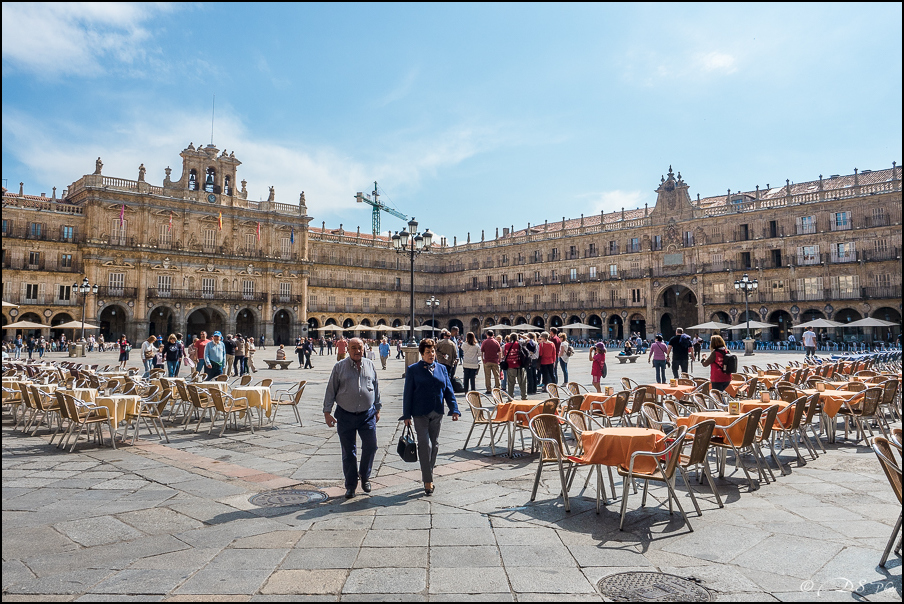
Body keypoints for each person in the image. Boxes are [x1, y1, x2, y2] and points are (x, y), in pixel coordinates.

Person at [323, 338, 381, 499]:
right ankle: (350, 485)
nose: (357, 351)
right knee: (349, 452)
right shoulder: (339, 367)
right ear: (347, 349)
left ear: (364, 349)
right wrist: (327, 412)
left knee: (371, 446)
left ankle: (364, 475)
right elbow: (330, 390)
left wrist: (378, 407)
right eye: (353, 348)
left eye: (360, 348)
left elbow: (375, 387)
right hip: (345, 414)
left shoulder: (370, 365)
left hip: (367, 414)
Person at [402, 338, 461, 495]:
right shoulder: (413, 370)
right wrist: (406, 414)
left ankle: (428, 474)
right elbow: (407, 393)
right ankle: (428, 480)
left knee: (434, 445)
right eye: (427, 352)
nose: (431, 354)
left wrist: (454, 409)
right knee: (424, 445)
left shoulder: (442, 369)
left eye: (433, 351)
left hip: (437, 411)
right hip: (419, 412)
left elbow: (448, 390)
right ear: (422, 354)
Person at [503, 333, 527, 400]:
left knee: (510, 384)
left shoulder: (506, 345)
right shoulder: (519, 344)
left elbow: (504, 354)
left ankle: (510, 398)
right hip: (519, 366)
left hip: (510, 366)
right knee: (522, 383)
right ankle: (524, 396)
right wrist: (521, 336)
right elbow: (528, 339)